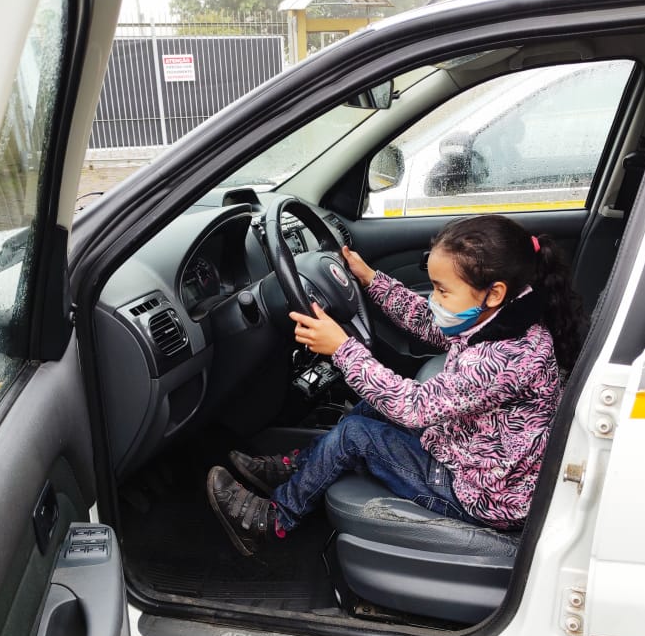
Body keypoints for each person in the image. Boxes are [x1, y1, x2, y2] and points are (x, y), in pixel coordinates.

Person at [206, 214, 586, 557]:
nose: (434, 299)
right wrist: (371, 279)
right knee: (371, 409)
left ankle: (274, 519)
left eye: (442, 290)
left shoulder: (504, 358)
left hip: (482, 492)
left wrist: (341, 348)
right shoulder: (501, 317)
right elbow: (428, 322)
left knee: (356, 432)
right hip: (477, 451)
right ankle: (295, 468)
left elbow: (412, 407)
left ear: (495, 292)